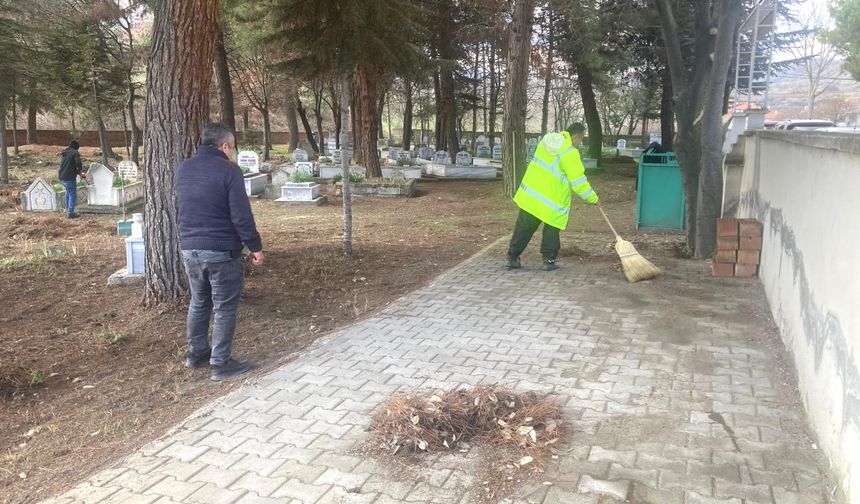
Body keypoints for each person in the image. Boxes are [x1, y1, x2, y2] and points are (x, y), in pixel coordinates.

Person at [175, 123, 265, 381]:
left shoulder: (184, 169)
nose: (233, 152)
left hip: (190, 248)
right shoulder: (229, 170)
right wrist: (255, 247)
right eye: (233, 147)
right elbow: (241, 215)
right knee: (224, 307)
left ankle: (196, 354)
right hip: (221, 250)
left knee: (199, 301)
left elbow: (180, 206)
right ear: (224, 146)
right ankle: (221, 363)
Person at [506, 123, 599, 271]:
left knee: (523, 227)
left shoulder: (546, 141)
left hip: (533, 194)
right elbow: (578, 182)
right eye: (580, 139)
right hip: (553, 200)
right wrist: (593, 198)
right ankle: (548, 261)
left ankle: (512, 257)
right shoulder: (570, 152)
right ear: (575, 137)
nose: (579, 143)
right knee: (551, 229)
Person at [58, 140, 86, 218]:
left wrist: (78, 173)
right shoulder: (75, 153)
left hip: (61, 176)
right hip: (69, 177)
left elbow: (69, 166)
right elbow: (78, 163)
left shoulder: (65, 152)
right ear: (76, 148)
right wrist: (80, 172)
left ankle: (68, 210)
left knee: (68, 192)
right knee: (72, 194)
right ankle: (70, 212)